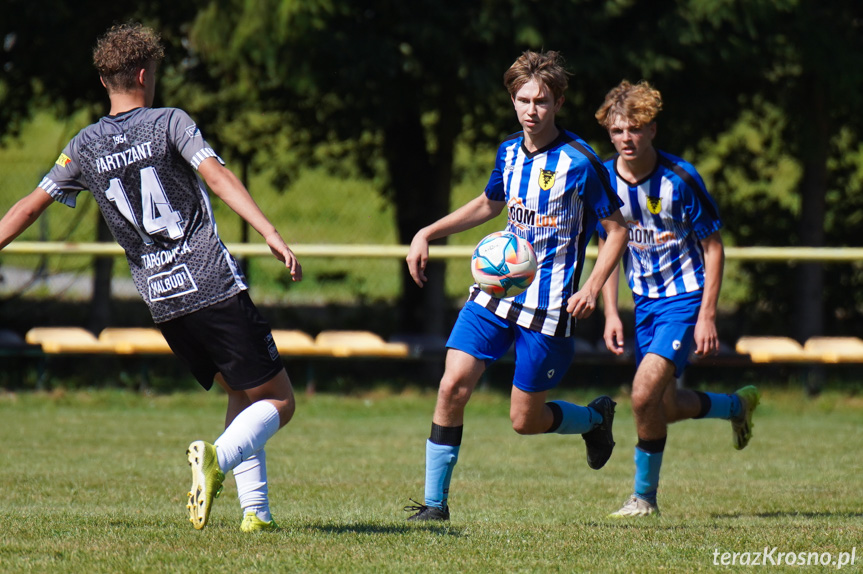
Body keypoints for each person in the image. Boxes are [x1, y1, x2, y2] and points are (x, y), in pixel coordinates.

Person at [0, 22, 302, 532]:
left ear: (105, 82)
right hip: (210, 284)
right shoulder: (169, 123)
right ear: (145, 74)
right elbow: (217, 175)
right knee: (279, 401)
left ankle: (257, 514)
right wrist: (269, 230)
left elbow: (28, 208)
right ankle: (216, 459)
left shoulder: (84, 145)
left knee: (240, 389)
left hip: (163, 300)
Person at [403, 50, 629, 521]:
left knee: (524, 422)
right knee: (451, 388)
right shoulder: (508, 151)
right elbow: (490, 204)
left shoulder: (581, 161)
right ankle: (434, 505)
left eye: (542, 101)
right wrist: (427, 231)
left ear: (558, 103)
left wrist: (590, 287)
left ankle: (594, 419)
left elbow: (618, 231)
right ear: (512, 100)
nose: (532, 110)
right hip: (494, 293)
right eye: (523, 99)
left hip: (549, 308)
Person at [594, 80, 760, 517]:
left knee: (642, 393)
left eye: (635, 128)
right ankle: (736, 406)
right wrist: (611, 312)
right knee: (662, 406)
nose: (626, 138)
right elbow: (609, 247)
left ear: (652, 130)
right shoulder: (604, 180)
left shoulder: (680, 179)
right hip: (644, 305)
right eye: (617, 131)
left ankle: (643, 499)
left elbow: (714, 247)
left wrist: (707, 316)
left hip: (684, 299)